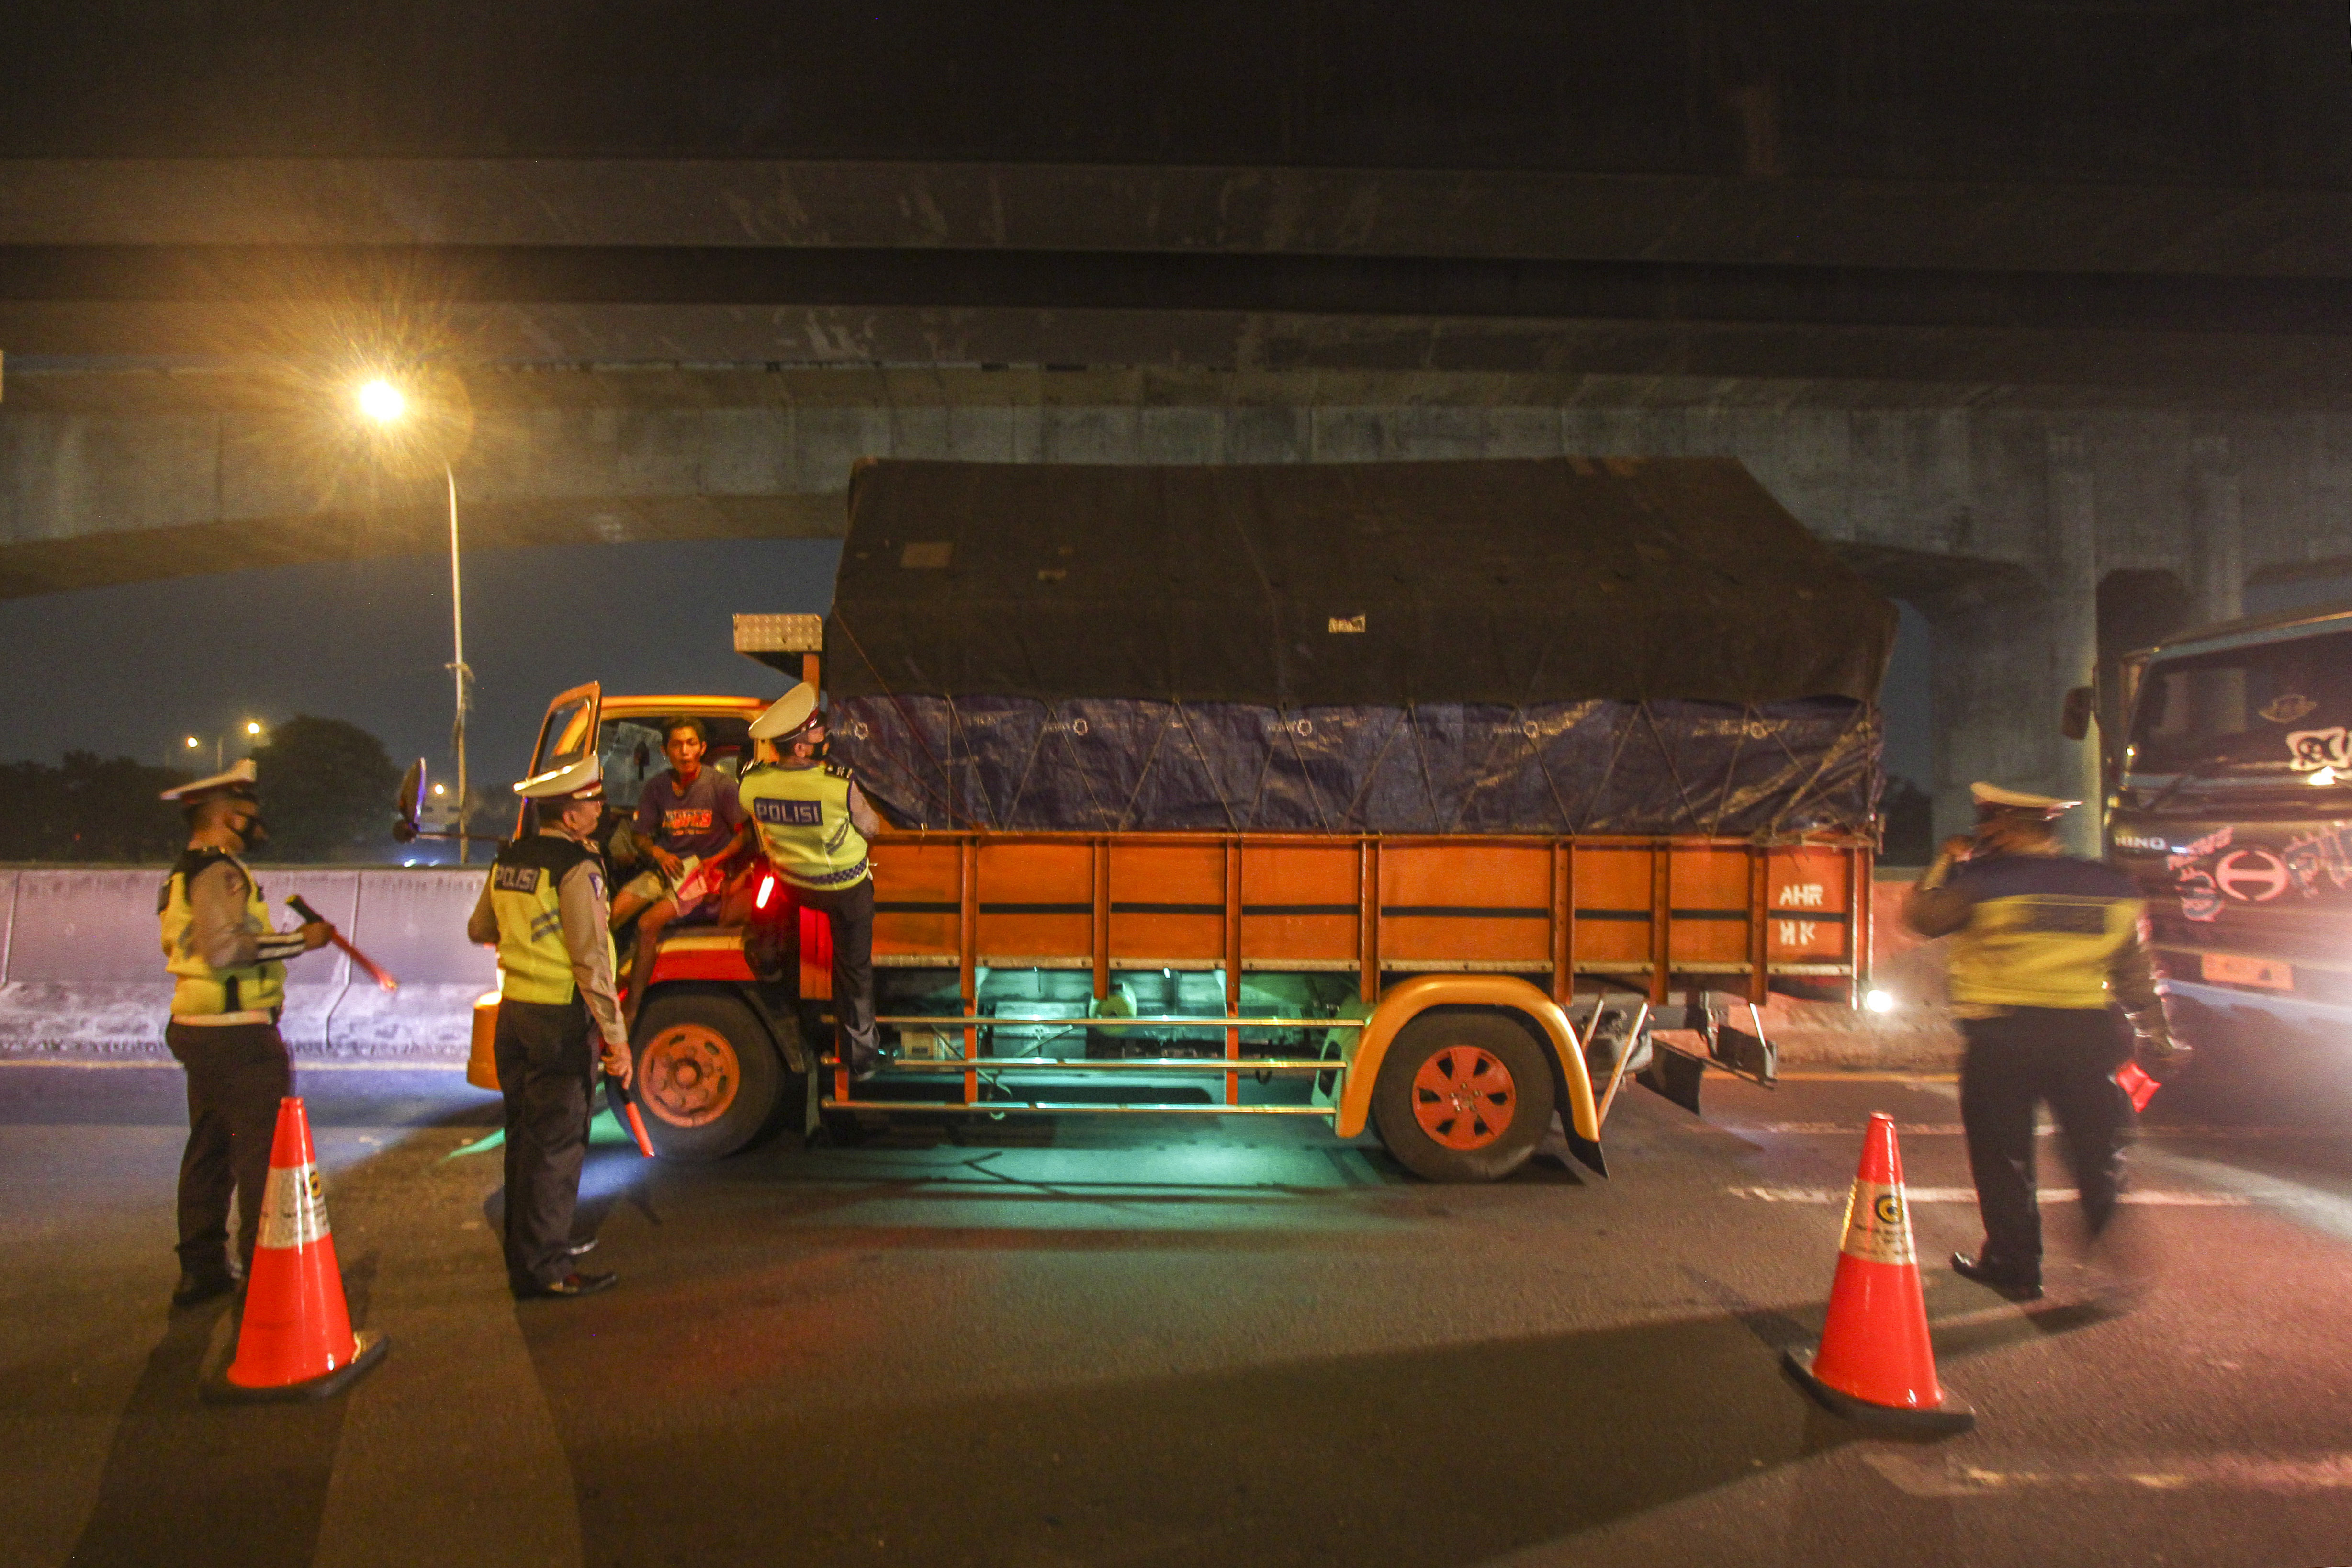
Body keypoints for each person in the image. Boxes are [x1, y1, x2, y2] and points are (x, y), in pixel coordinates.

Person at [1904, 781, 2191, 1302]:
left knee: (2002, 1154)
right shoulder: (2110, 885)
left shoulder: (1981, 880)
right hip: (2087, 1036)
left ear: (2005, 826)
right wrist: (2158, 1034)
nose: (1982, 832)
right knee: (2095, 1149)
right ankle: (2117, 1258)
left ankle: (2014, 1265)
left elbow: (1923, 918)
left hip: (2002, 1037)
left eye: (1988, 823)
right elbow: (2134, 973)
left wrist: (1945, 860)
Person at [155, 760, 335, 1308]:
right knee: (262, 1154)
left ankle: (203, 1266)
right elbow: (226, 949)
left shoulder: (180, 872)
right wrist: (300, 941)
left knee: (208, 1147)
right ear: (230, 816)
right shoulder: (221, 871)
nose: (259, 826)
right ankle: (268, 1274)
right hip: (238, 1035)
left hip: (199, 1027)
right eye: (251, 815)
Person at [466, 755, 634, 1300]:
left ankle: (531, 1246)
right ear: (569, 813)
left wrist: (529, 935)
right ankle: (547, 1268)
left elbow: (480, 927)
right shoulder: (576, 867)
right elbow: (591, 959)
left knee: (524, 1137)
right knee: (557, 1144)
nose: (600, 809)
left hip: (515, 1012)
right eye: (592, 801)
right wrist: (616, 1038)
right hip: (560, 1019)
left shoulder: (512, 858)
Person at [738, 682, 885, 1080]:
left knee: (771, 916)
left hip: (794, 887)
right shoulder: (837, 784)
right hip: (845, 890)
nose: (824, 734)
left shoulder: (751, 784)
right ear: (800, 748)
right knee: (854, 972)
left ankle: (768, 963)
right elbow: (871, 828)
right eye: (816, 731)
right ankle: (861, 1058)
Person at [609, 716, 749, 1029]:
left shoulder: (721, 786)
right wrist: (659, 853)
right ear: (664, 750)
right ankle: (602, 991)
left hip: (703, 876)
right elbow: (639, 836)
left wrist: (716, 860)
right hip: (666, 868)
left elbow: (745, 835)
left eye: (690, 744)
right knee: (612, 915)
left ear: (701, 748)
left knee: (647, 924)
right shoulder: (656, 788)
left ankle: (631, 1008)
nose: (684, 751)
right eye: (676, 745)